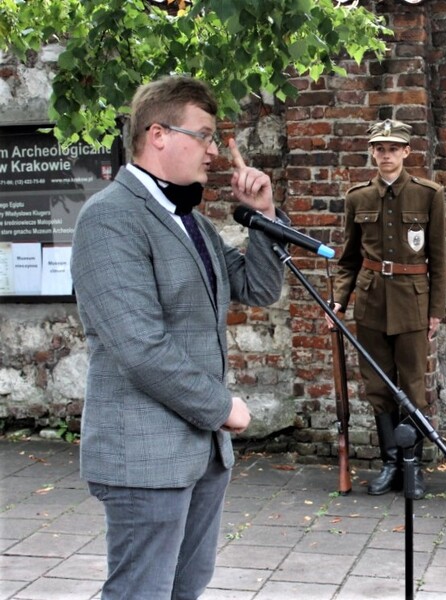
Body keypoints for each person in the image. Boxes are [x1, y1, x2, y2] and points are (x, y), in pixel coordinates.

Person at [70, 76, 286, 599]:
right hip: (144, 457)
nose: (213, 151)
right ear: (159, 134)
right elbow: (139, 348)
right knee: (140, 592)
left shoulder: (191, 221)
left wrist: (264, 216)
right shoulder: (109, 219)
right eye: (205, 135)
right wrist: (222, 406)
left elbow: (257, 287)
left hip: (201, 455)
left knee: (185, 589)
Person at [330, 119, 446, 499]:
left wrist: (436, 310)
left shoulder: (429, 194)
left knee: (412, 386)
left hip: (413, 302)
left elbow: (439, 259)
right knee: (379, 386)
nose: (386, 155)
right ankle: (390, 464)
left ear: (406, 152)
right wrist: (340, 302)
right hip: (371, 302)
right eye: (380, 148)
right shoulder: (357, 198)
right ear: (372, 152)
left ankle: (413, 467)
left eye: (393, 148)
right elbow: (348, 260)